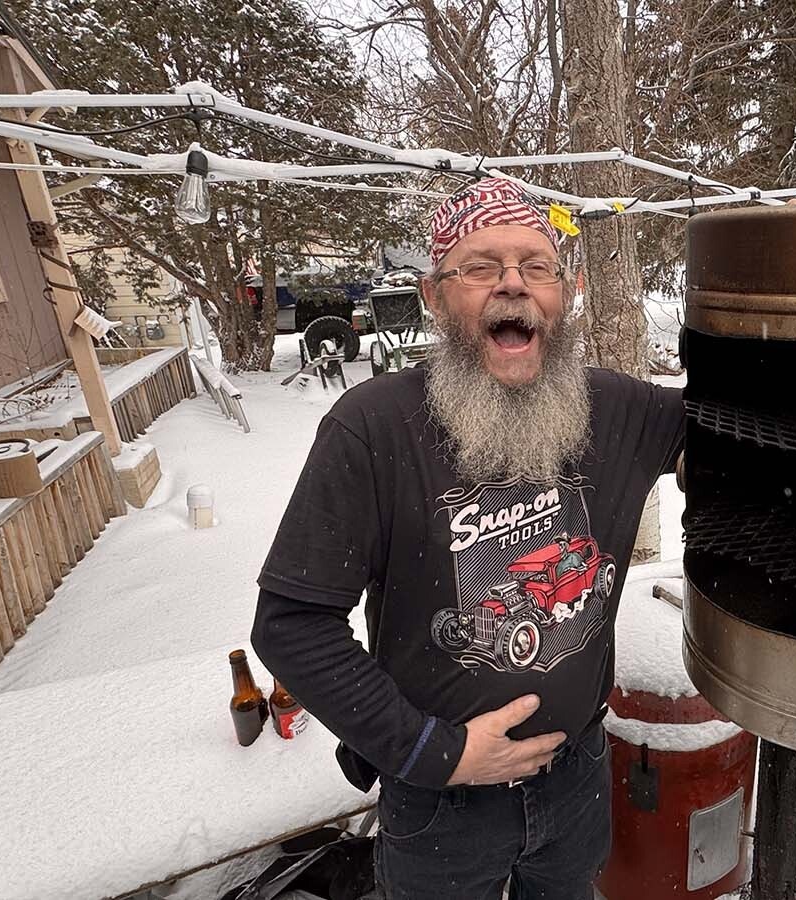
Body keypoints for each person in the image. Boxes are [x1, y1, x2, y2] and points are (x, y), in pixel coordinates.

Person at [252, 177, 685, 899]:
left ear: (566, 292)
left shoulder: (617, 409)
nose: (512, 286)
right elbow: (292, 626)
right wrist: (436, 753)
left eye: (536, 266)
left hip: (577, 777)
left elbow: (741, 423)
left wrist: (795, 275)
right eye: (480, 266)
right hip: (439, 805)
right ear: (434, 295)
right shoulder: (373, 427)